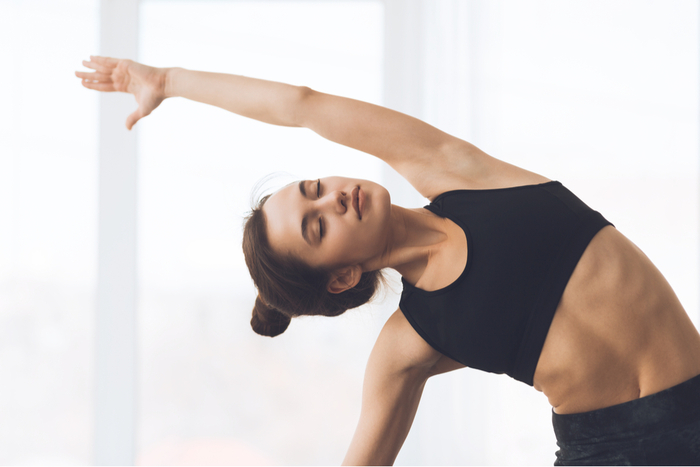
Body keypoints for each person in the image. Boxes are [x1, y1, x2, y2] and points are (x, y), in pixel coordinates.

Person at [76, 56, 700, 466]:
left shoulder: (454, 170)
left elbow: (301, 103)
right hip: (604, 453)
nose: (333, 198)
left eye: (314, 189)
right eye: (318, 227)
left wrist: (168, 81)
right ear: (344, 276)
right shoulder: (408, 343)